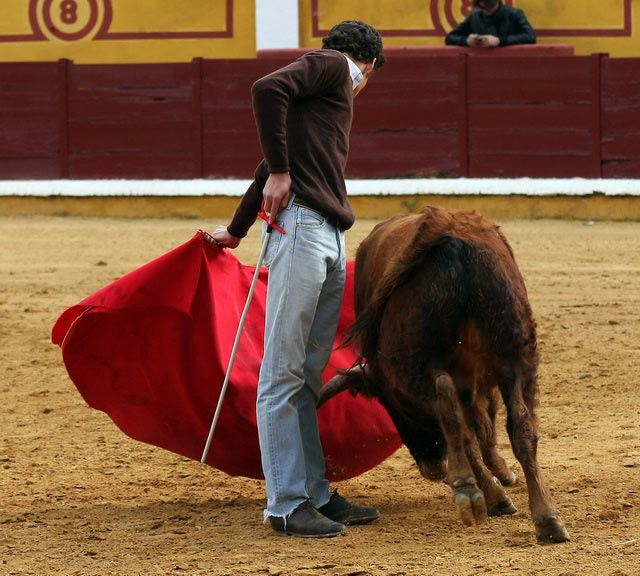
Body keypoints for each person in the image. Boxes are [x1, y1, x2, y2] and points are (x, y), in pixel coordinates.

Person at [207, 21, 385, 538]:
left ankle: (315, 493)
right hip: (305, 228)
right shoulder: (336, 66)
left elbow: (266, 166)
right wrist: (284, 174)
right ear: (368, 63)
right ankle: (286, 504)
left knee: (305, 373)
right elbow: (266, 90)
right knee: (284, 372)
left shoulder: (313, 105)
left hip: (324, 232)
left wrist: (238, 230)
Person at [445, 0, 536, 48]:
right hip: (482, 67)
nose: (485, 11)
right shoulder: (474, 16)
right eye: (482, 6)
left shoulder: (514, 14)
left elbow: (530, 37)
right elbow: (450, 38)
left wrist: (500, 41)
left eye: (488, 7)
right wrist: (467, 41)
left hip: (508, 66)